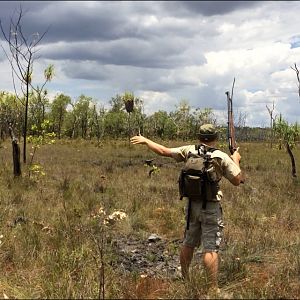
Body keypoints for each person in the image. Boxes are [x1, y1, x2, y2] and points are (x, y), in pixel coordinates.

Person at [130, 123, 243, 291]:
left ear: (199, 137)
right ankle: (213, 289)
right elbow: (238, 180)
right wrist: (236, 160)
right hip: (211, 207)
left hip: (192, 206)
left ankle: (185, 278)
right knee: (210, 247)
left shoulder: (189, 150)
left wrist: (146, 140)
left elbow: (164, 151)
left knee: (189, 243)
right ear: (216, 138)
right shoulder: (221, 156)